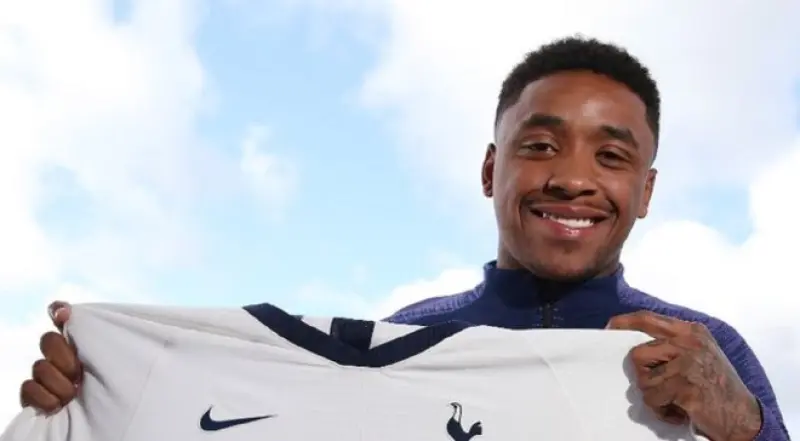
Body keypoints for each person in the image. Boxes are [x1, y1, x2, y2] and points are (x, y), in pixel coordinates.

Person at [17, 37, 789, 441]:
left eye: (611, 157)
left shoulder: (703, 349)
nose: (572, 178)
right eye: (540, 146)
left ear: (646, 191)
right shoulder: (408, 339)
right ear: (490, 169)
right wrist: (98, 397)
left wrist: (741, 424)